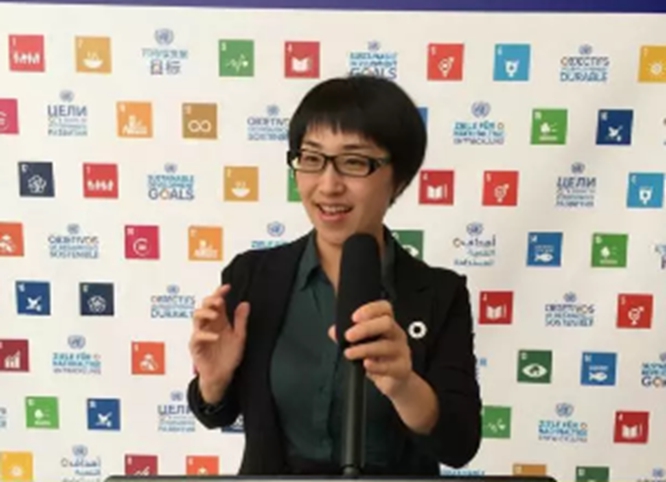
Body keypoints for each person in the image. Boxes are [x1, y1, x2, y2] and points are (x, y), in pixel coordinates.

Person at [186, 75, 482, 476]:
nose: (328, 185)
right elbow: (216, 412)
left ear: (400, 178)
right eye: (311, 159)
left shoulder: (439, 293)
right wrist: (214, 382)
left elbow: (460, 444)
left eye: (354, 162)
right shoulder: (253, 276)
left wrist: (403, 384)